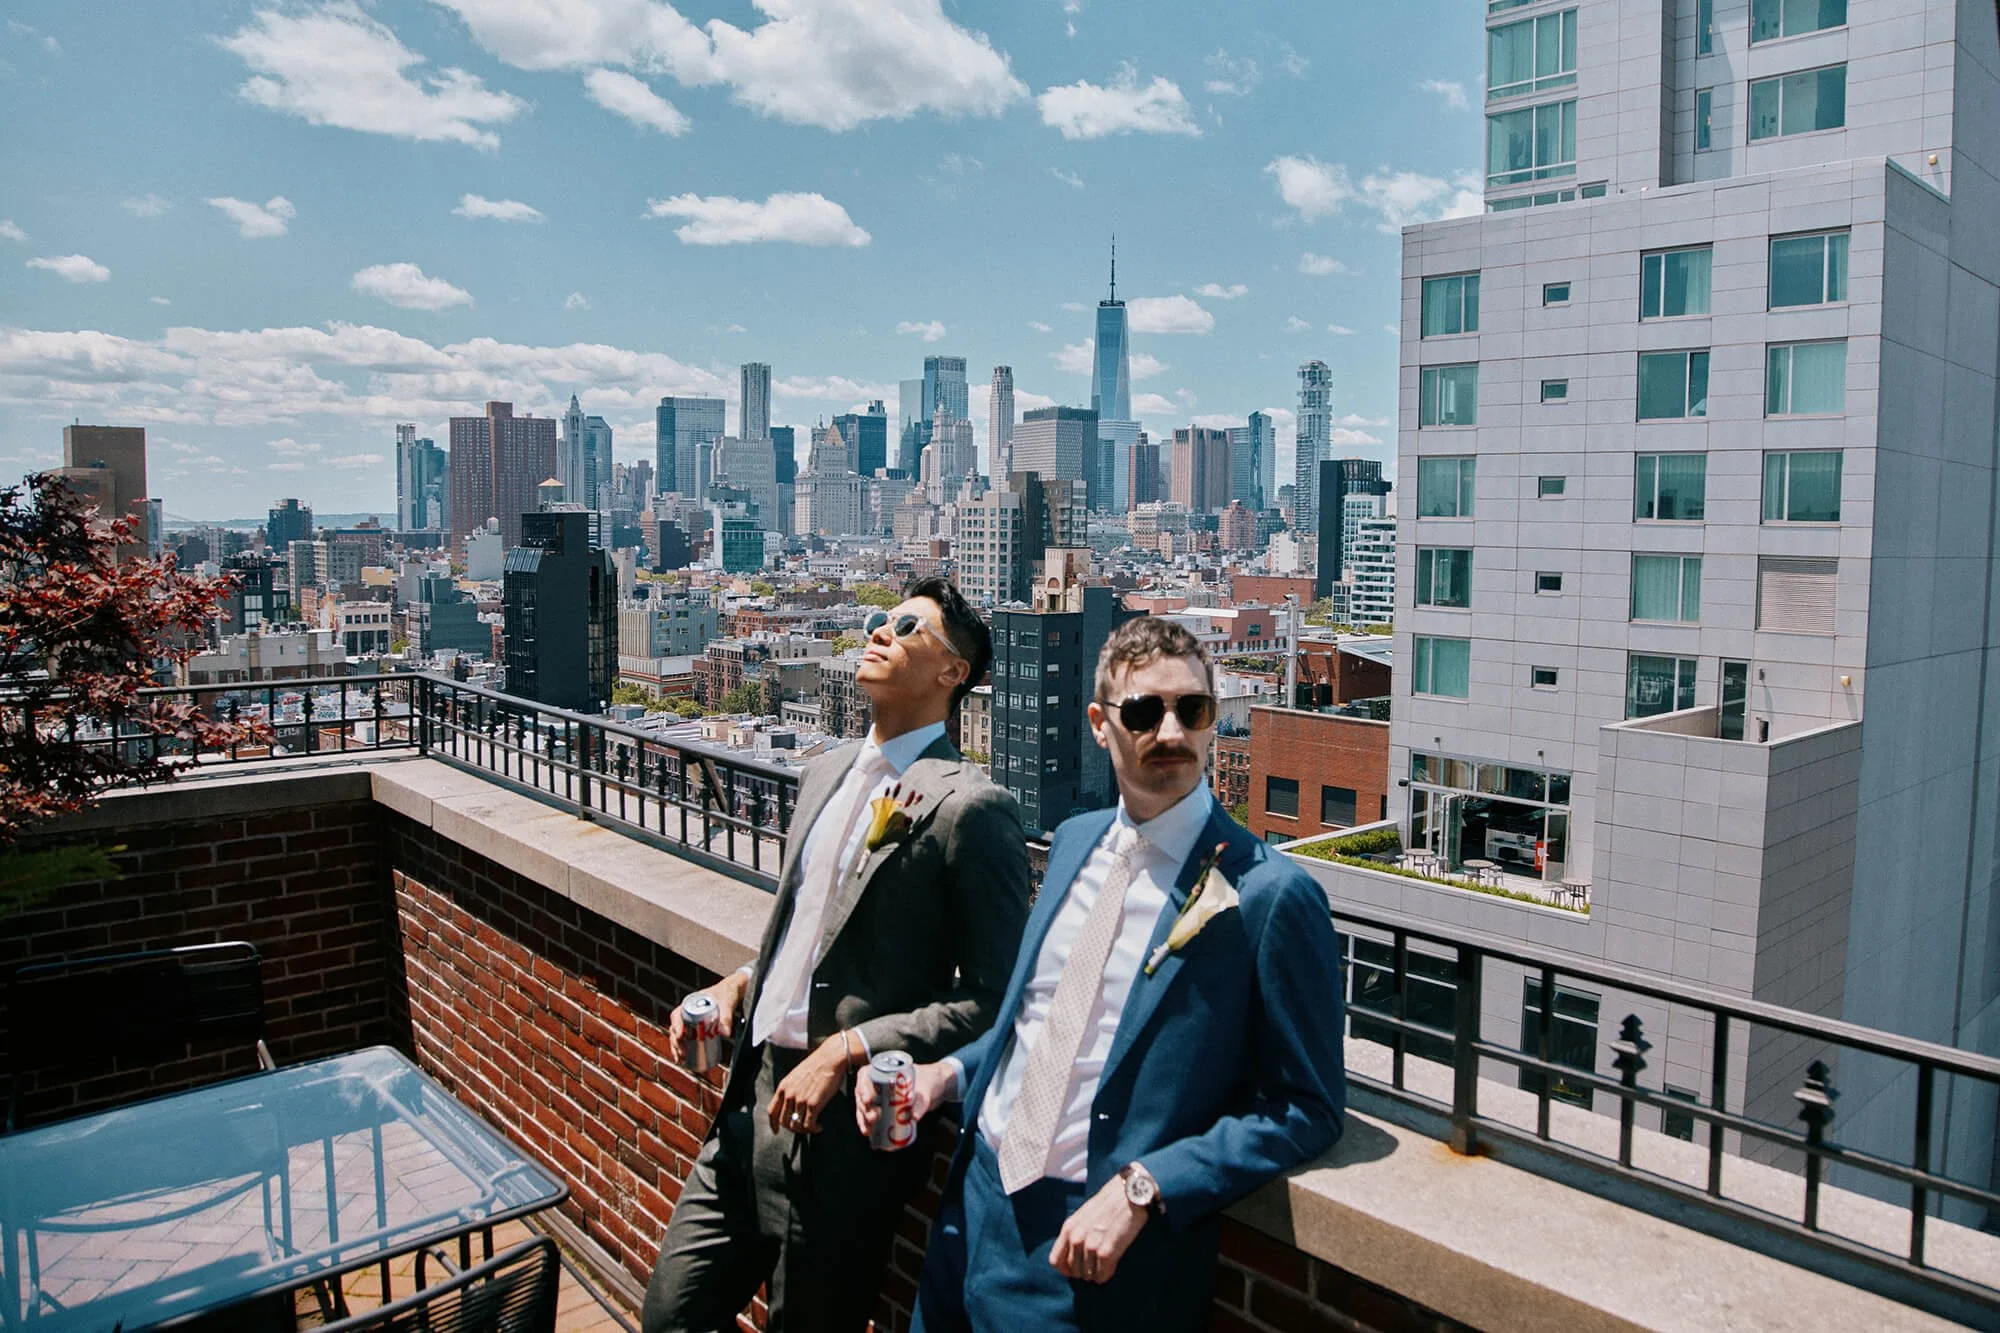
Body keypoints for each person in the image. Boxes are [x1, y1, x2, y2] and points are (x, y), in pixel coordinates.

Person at [860, 616, 1346, 1333]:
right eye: (1144, 712)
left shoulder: (1270, 895)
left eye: (1193, 709)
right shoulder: (1073, 841)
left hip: (1090, 1259)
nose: (1172, 732)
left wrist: (1148, 1185)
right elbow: (1042, 1023)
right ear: (1099, 723)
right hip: (972, 1205)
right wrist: (949, 1075)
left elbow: (1308, 1107)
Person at [643, 575, 1032, 1333]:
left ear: (953, 672)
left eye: (909, 628)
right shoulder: (822, 772)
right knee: (670, 1316)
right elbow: (812, 930)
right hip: (750, 1098)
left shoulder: (971, 806)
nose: (880, 631)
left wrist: (851, 1048)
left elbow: (994, 999)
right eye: (882, 619)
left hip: (844, 1136)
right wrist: (740, 983)